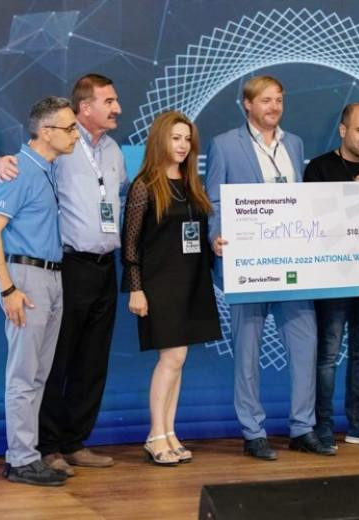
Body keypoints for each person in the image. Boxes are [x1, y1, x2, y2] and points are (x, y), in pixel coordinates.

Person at [0, 74, 127, 475]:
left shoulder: (113, 151)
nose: (117, 108)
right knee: (41, 369)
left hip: (101, 265)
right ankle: (38, 450)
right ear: (84, 108)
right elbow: (10, 183)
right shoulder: (53, 155)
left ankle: (71, 442)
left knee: (87, 362)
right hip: (62, 265)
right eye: (109, 101)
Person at [205, 75, 334, 460]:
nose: (274, 106)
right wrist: (215, 235)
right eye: (265, 100)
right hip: (248, 265)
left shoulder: (293, 143)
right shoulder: (225, 145)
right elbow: (214, 200)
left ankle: (303, 428)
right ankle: (253, 431)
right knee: (247, 351)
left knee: (305, 346)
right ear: (247, 104)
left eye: (278, 99)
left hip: (292, 263)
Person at [0, 96, 79, 486]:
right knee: (23, 374)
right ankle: (20, 458)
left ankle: (27, 454)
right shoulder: (20, 170)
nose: (75, 135)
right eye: (70, 128)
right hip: (27, 278)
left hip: (52, 277)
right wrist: (8, 289)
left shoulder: (47, 169)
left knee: (38, 374)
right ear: (46, 131)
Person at [121, 111, 222, 465]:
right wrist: (136, 289)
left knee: (179, 360)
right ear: (160, 140)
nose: (182, 145)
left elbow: (197, 233)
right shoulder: (144, 186)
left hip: (193, 281)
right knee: (172, 358)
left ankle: (169, 431)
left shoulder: (193, 184)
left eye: (187, 139)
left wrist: (215, 244)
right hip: (159, 284)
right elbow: (131, 244)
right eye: (175, 138)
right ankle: (155, 434)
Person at [303, 103, 359, 450]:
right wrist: (351, 196)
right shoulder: (319, 168)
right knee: (327, 355)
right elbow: (310, 224)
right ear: (343, 131)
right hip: (332, 278)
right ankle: (323, 425)